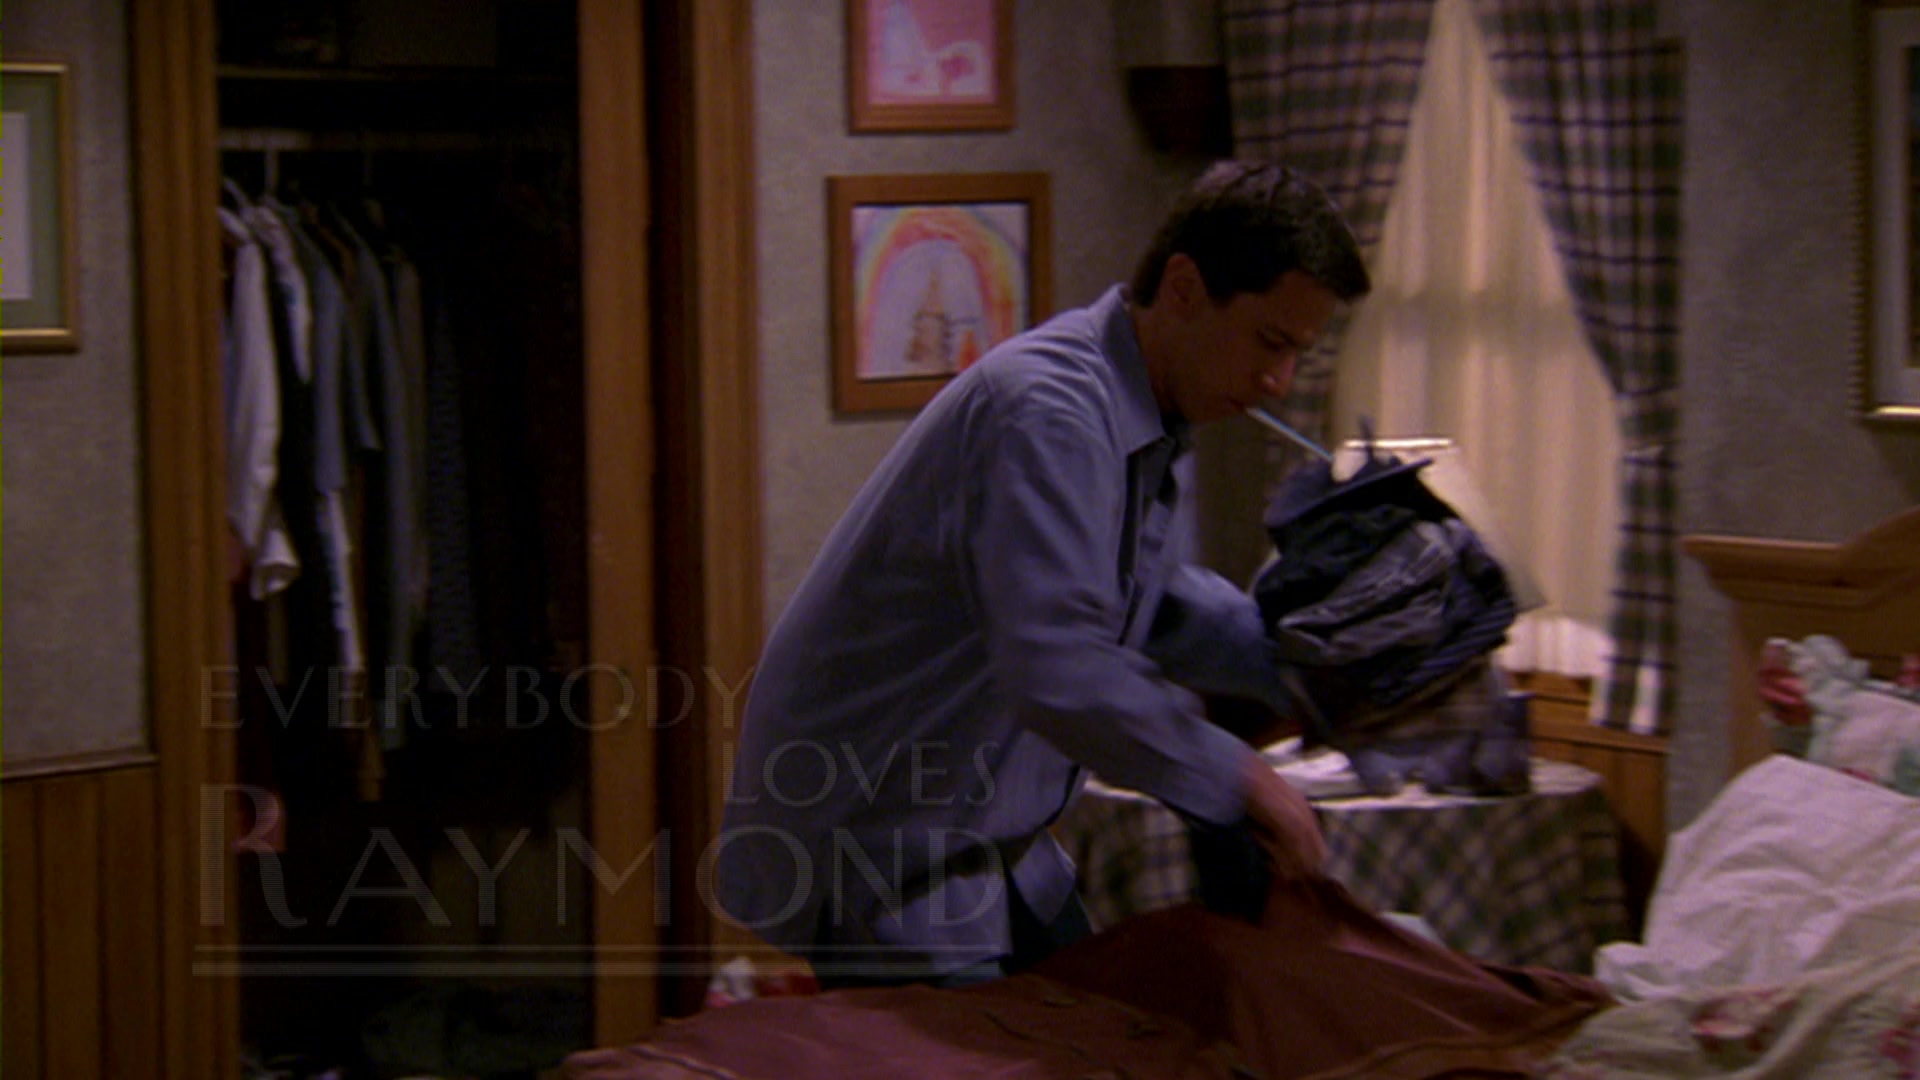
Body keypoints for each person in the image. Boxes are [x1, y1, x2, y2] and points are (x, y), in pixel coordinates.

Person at [715, 161, 1373, 988]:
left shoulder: (1146, 414)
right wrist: (1235, 773)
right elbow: (1059, 663)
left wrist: (1309, 662)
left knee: (1105, 1023)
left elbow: (1149, 603)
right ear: (1183, 288)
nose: (1278, 383)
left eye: (1297, 355)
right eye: (1270, 344)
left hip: (992, 837)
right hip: (889, 843)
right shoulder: (1050, 412)